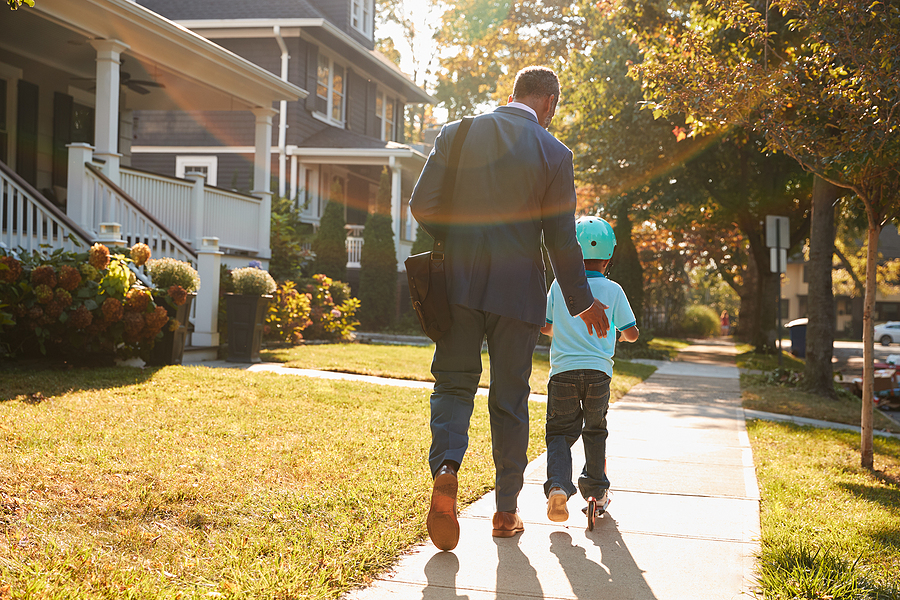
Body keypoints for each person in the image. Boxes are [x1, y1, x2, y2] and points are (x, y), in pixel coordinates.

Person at [409, 66, 610, 551]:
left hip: (457, 284)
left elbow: (422, 205)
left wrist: (460, 239)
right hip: (519, 293)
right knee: (509, 400)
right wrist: (583, 303)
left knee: (454, 385)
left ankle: (446, 468)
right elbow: (562, 240)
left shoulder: (457, 134)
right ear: (549, 103)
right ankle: (505, 512)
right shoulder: (554, 153)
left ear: (513, 95)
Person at [542, 216, 639, 523]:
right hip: (599, 374)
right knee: (595, 431)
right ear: (609, 256)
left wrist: (562, 330)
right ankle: (595, 494)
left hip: (563, 374)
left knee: (559, 432)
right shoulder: (614, 289)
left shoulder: (559, 285)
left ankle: (558, 486)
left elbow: (545, 326)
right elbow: (632, 332)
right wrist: (618, 333)